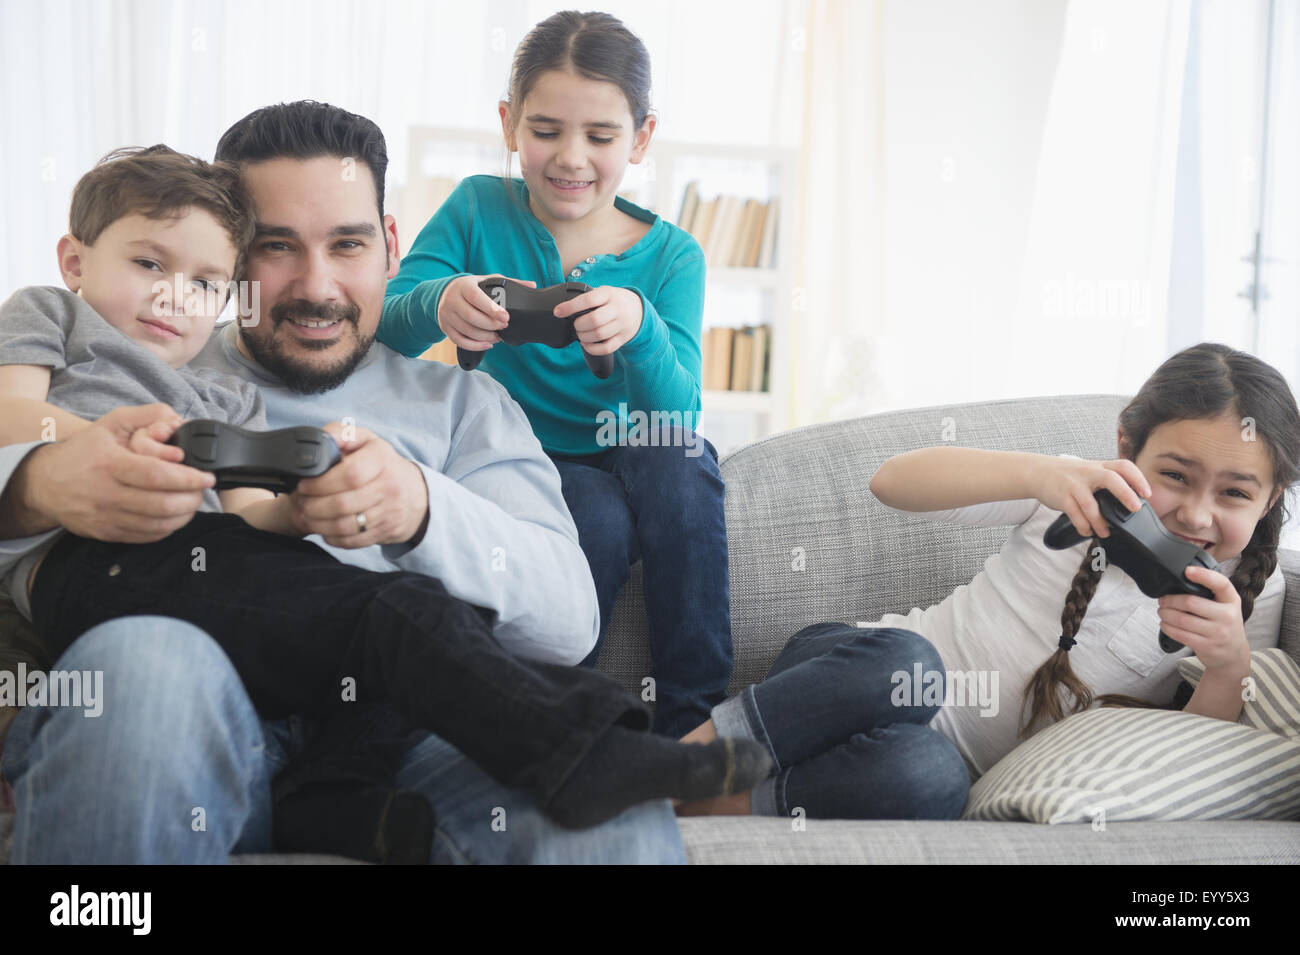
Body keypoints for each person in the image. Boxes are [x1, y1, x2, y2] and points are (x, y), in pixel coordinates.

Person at [0, 102, 768, 863]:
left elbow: (568, 622)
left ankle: (559, 761)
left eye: (348, 244)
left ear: (391, 244)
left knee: (600, 820)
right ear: (236, 259)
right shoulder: (143, 356)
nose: (317, 285)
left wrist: (420, 507)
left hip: (401, 739)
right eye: (276, 247)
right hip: (195, 717)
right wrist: (35, 481)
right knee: (147, 667)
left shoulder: (466, 406)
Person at [676, 343, 1294, 822]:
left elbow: (1185, 758)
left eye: (1235, 492)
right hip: (853, 673)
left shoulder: (1252, 596)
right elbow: (891, 482)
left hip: (923, 757)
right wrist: (1039, 474)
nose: (1196, 513)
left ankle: (691, 806)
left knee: (932, 780)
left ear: (1269, 502)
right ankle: (670, 765)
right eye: (1176, 476)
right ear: (1127, 444)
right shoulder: (1069, 497)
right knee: (907, 662)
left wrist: (1226, 667)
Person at [378, 11, 730, 738]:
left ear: (641, 139)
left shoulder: (673, 258)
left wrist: (640, 327)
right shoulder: (477, 207)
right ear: (509, 125)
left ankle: (691, 723)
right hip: (519, 456)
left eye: (600, 137)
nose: (571, 157)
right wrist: (439, 302)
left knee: (680, 454)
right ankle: (543, 723)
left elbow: (679, 412)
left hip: (637, 447)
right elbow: (383, 327)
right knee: (593, 517)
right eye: (546, 131)